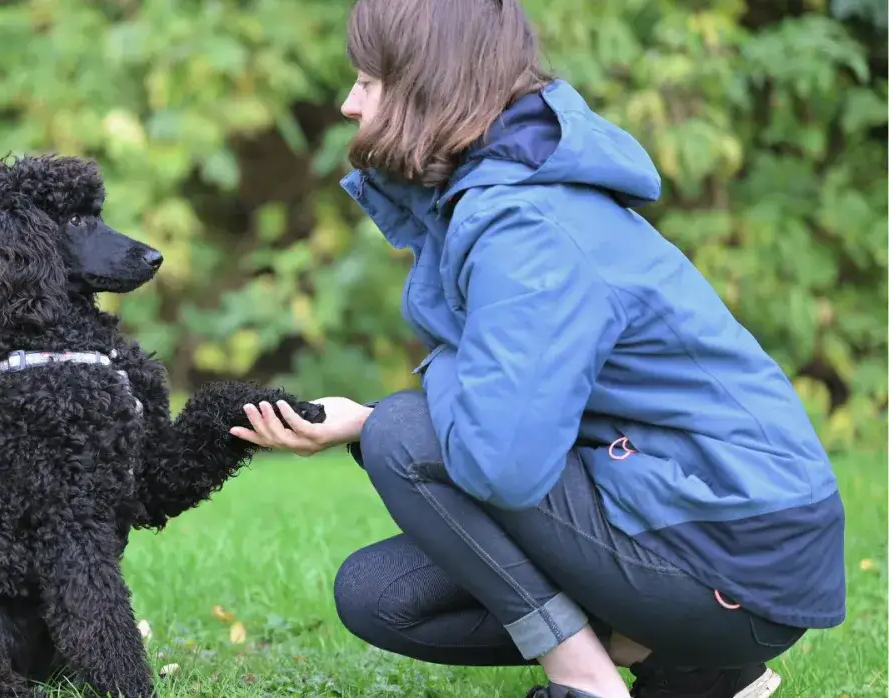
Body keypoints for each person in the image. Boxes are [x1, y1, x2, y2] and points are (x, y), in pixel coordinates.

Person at [228, 0, 846, 696]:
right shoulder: (499, 198)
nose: (347, 104)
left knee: (405, 433)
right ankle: (701, 670)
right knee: (381, 593)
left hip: (737, 550)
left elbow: (503, 467)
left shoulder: (528, 226)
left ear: (429, 83)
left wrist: (398, 410)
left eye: (368, 81)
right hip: (708, 522)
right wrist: (366, 419)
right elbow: (515, 417)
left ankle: (585, 679)